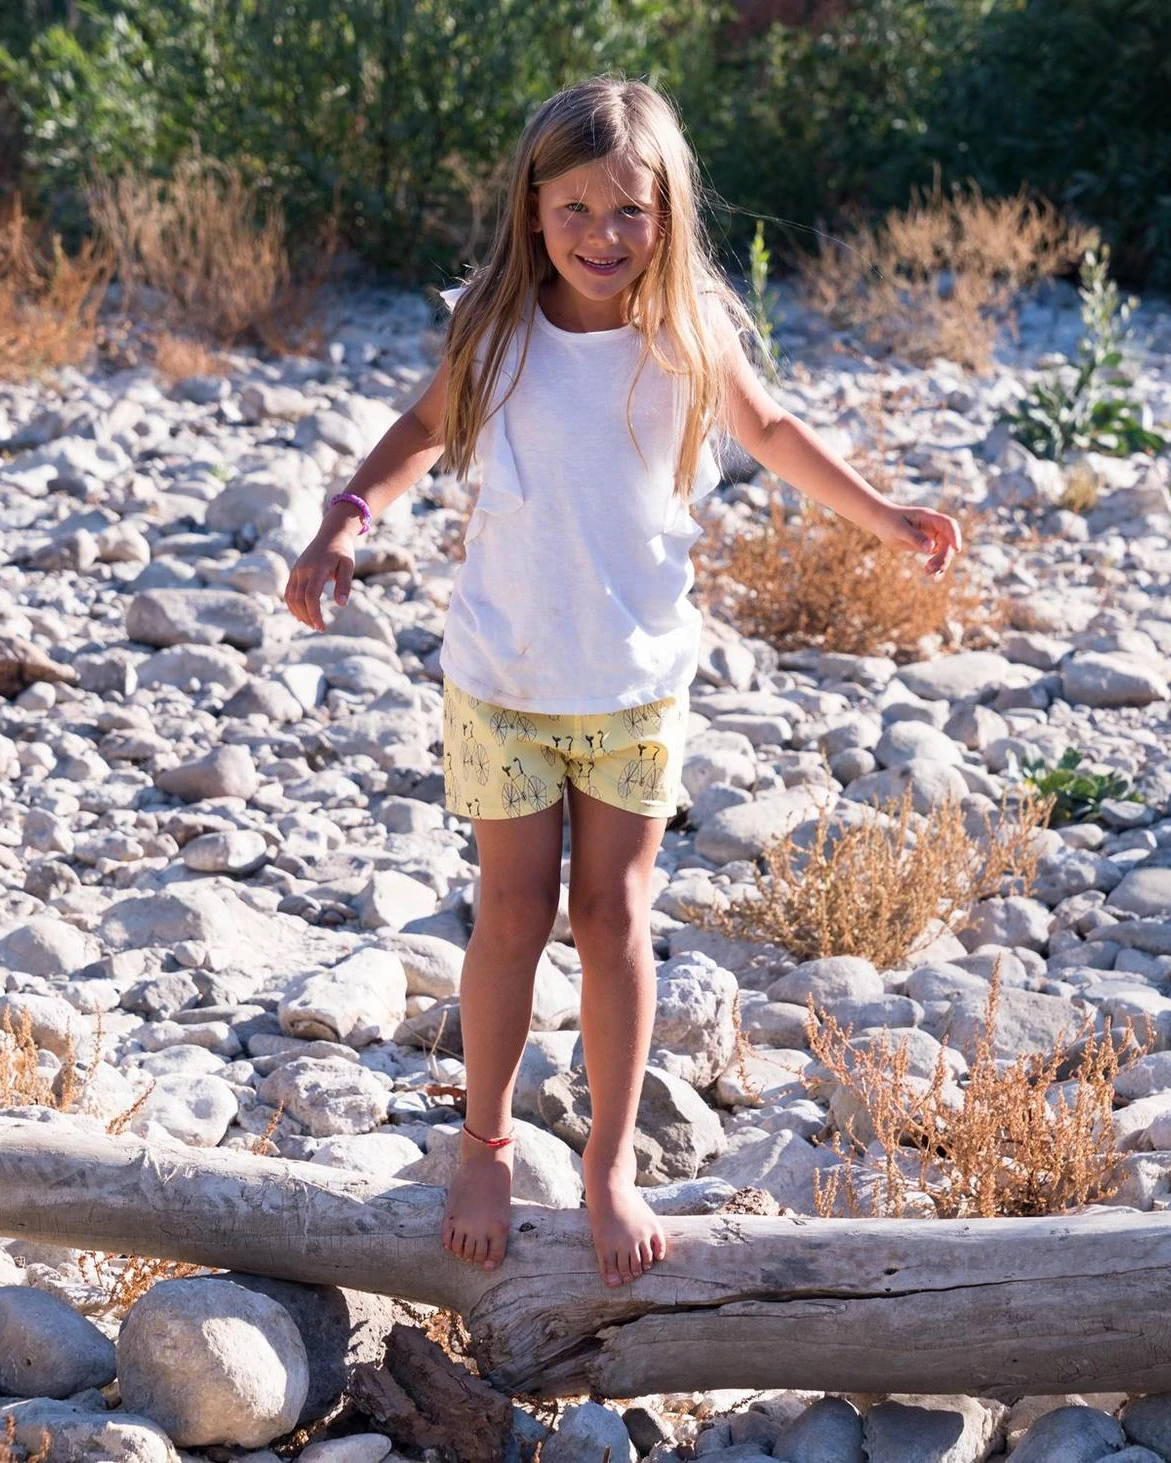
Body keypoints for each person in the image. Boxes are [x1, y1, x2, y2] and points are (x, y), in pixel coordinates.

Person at [284, 75, 961, 1289]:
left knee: (614, 917)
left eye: (630, 211)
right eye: (576, 208)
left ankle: (606, 1161)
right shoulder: (492, 329)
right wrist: (342, 521)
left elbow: (774, 432)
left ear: (669, 212)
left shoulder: (686, 333)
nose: (603, 235)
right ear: (532, 209)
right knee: (509, 916)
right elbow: (414, 434)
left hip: (635, 688)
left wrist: (879, 514)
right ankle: (485, 1137)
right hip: (499, 680)